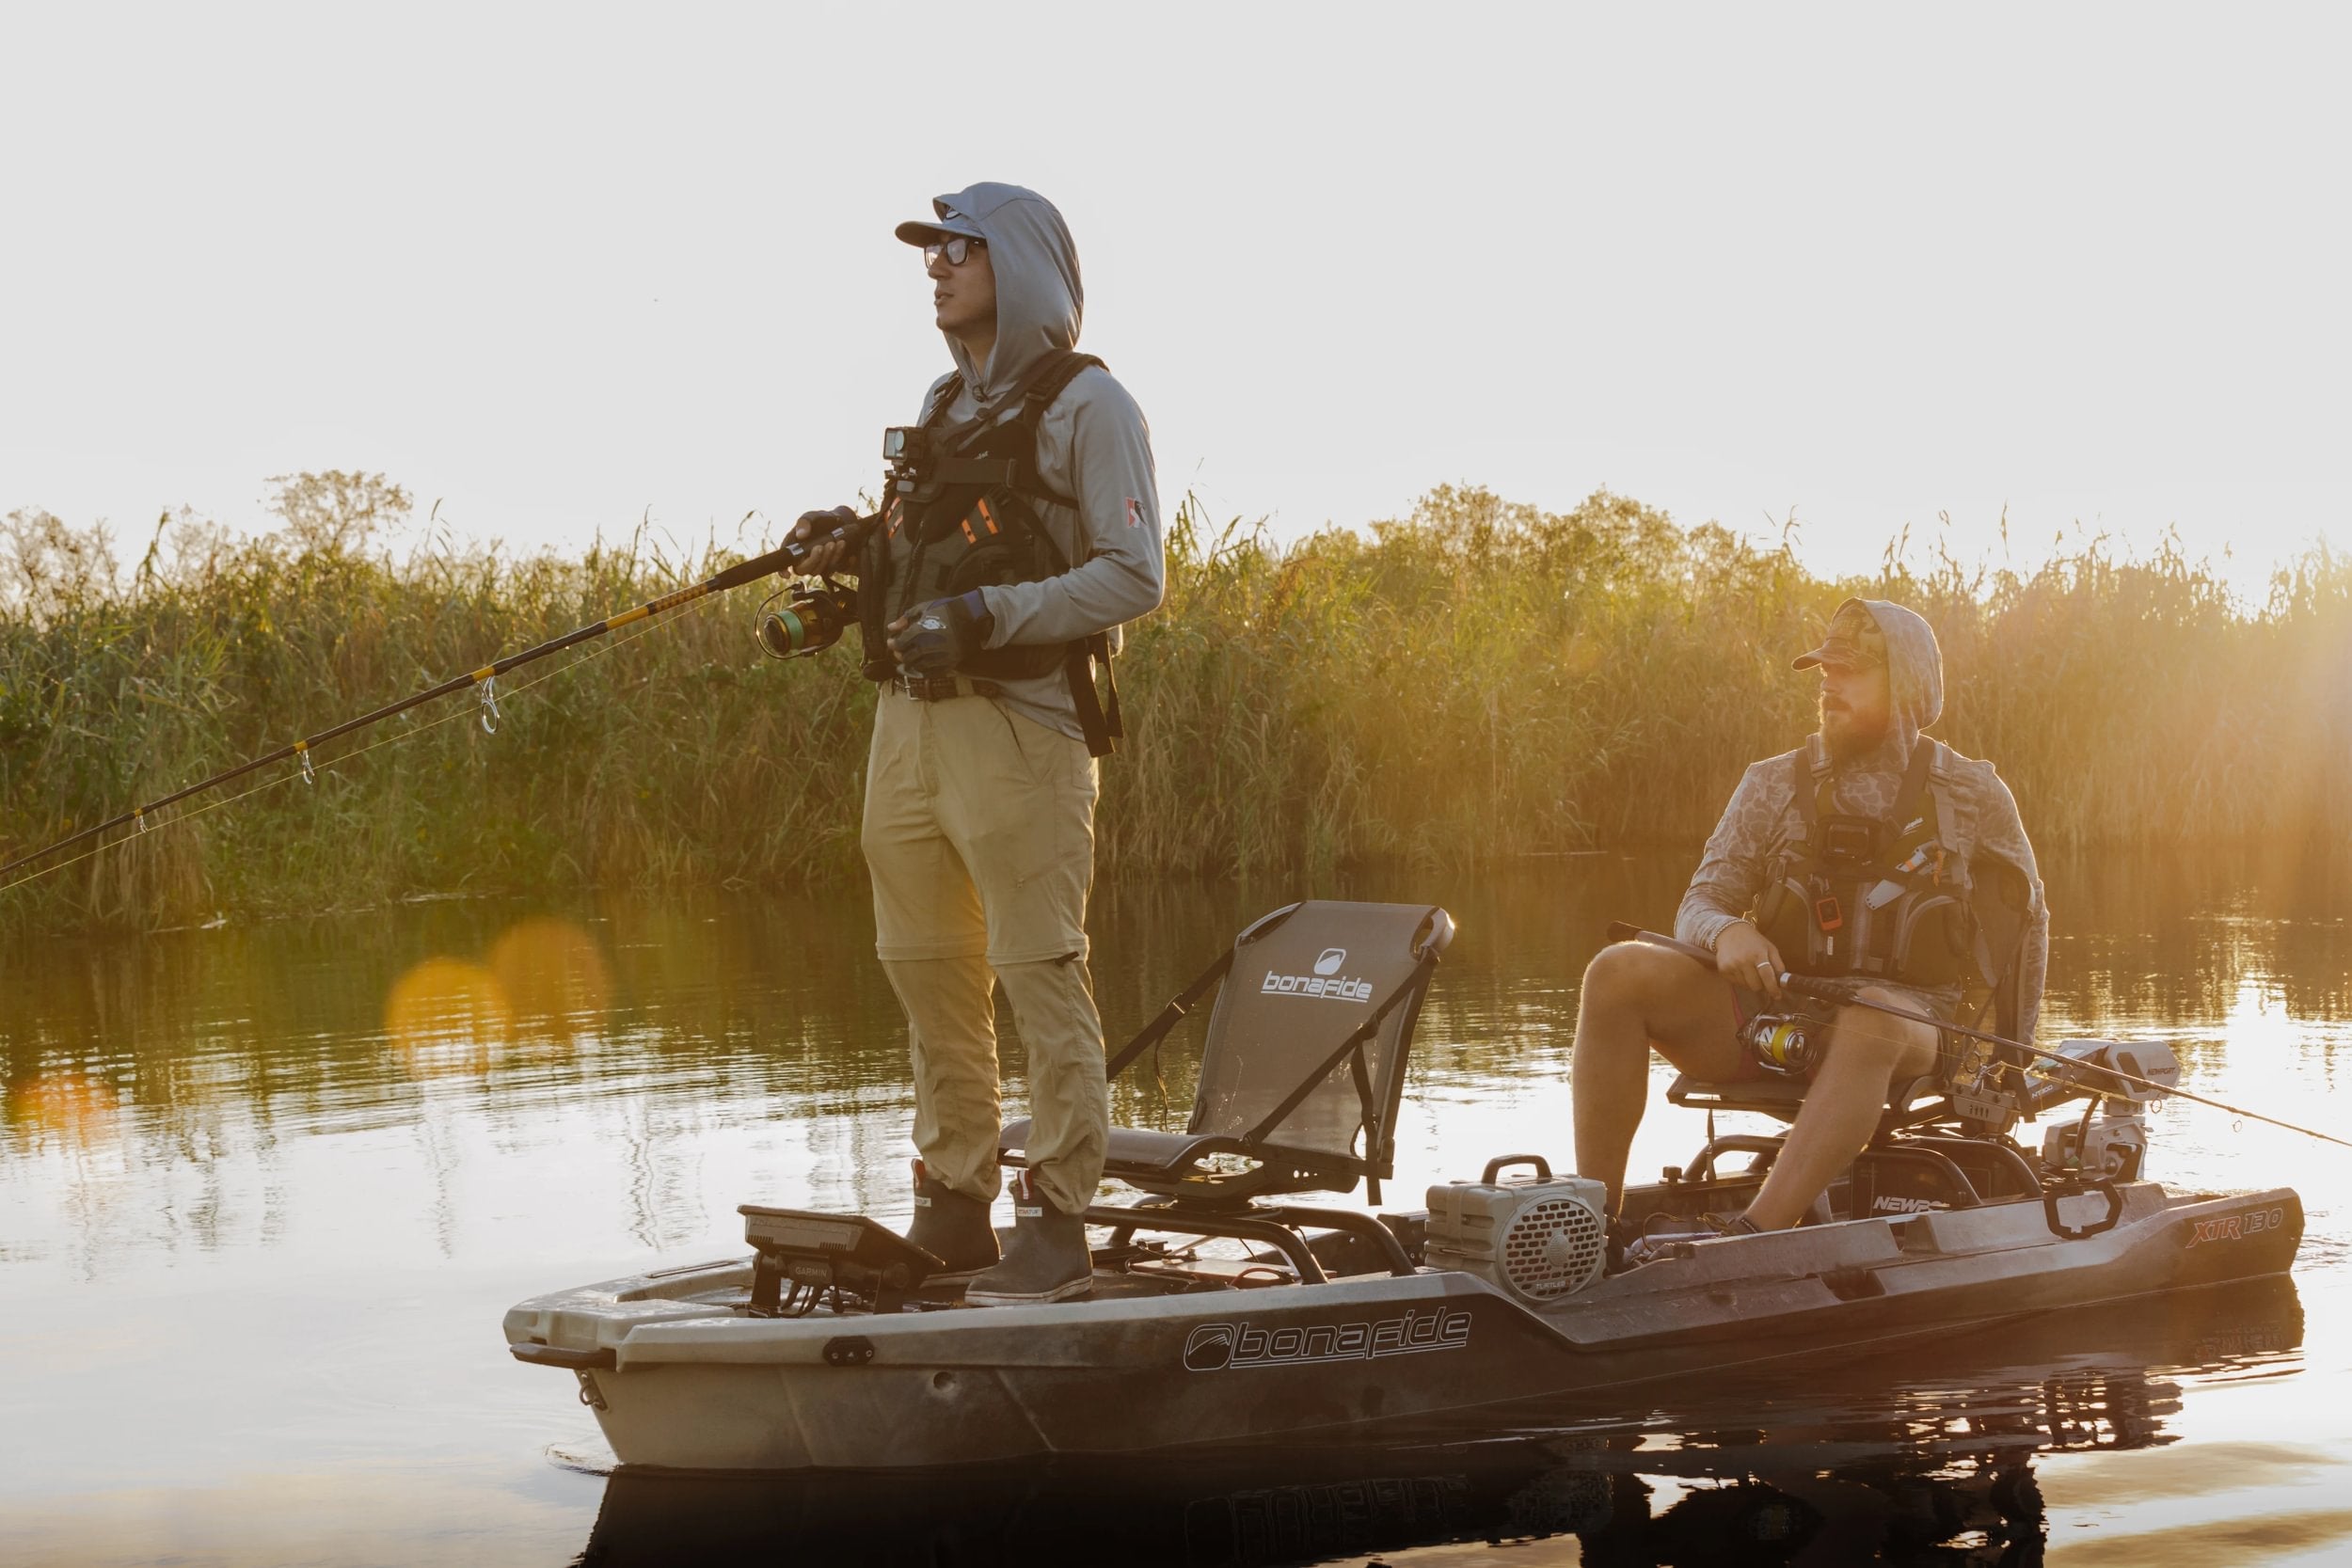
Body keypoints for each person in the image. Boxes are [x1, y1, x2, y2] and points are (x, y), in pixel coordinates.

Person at [788, 184, 1163, 1305]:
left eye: (960, 247)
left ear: (1023, 263)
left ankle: (1057, 1217)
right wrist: (854, 541)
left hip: (1023, 726)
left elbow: (1134, 574)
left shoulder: (1094, 405)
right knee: (927, 973)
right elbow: (933, 537)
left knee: (1038, 971)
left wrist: (989, 616)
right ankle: (954, 1203)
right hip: (906, 724)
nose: (938, 266)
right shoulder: (942, 401)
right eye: (932, 251)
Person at [1569, 598, 2047, 1263]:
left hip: (1911, 1026)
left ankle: (1752, 1238)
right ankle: (1591, 1229)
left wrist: (2008, 1064)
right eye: (1825, 671)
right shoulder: (1769, 783)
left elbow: (2028, 924)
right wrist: (1726, 934)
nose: (1829, 685)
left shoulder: (1973, 793)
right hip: (1777, 1017)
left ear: (1906, 683)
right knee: (1616, 971)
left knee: (1872, 1016)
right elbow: (1701, 903)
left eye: (1850, 672)